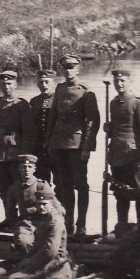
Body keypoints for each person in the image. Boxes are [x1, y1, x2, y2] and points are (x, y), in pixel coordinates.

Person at [0, 182, 74, 279]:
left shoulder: (55, 222)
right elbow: (37, 245)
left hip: (54, 262)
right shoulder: (46, 218)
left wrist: (30, 264)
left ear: (52, 204)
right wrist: (26, 260)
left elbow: (50, 250)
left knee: (14, 278)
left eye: (44, 204)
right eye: (39, 204)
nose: (41, 207)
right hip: (42, 259)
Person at [47, 54, 100, 238]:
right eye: (65, 67)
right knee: (64, 185)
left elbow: (93, 121)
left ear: (78, 69)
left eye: (71, 67)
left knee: (81, 185)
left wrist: (87, 147)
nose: (68, 70)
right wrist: (49, 142)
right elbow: (53, 116)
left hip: (76, 145)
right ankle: (67, 223)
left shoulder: (85, 91)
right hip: (59, 143)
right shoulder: (60, 88)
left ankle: (82, 225)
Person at [105, 68, 140, 228]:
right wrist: (109, 128)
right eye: (116, 81)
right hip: (116, 156)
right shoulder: (113, 103)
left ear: (129, 82)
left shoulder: (137, 103)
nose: (119, 84)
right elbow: (117, 129)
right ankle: (122, 226)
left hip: (134, 156)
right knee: (120, 193)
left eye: (122, 81)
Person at [0, 70, 32, 221]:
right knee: (3, 188)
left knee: (18, 187)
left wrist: (24, 155)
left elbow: (28, 131)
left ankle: (24, 220)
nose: (6, 87)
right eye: (4, 84)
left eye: (9, 84)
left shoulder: (22, 105)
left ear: (16, 85)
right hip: (0, 153)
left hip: (16, 153)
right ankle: (9, 219)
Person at [27, 69, 57, 183]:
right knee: (41, 181)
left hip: (55, 146)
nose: (43, 85)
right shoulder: (34, 101)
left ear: (53, 83)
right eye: (40, 82)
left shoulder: (58, 99)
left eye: (47, 82)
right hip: (39, 147)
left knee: (59, 181)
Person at [2, 154, 41, 233]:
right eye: (23, 167)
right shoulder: (14, 188)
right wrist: (14, 226)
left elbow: (53, 206)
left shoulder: (41, 185)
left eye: (29, 167)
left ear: (34, 169)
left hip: (42, 222)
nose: (26, 169)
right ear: (19, 169)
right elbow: (10, 210)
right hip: (25, 223)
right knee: (22, 240)